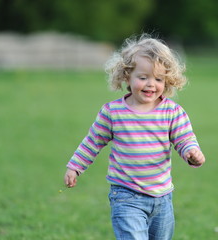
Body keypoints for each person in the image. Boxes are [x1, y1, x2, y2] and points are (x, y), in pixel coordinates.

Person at [64, 34, 206, 239]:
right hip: (126, 195)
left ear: (167, 80)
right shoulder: (113, 112)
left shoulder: (172, 112)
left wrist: (192, 153)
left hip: (162, 196)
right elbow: (92, 142)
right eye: (143, 77)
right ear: (127, 76)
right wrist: (75, 166)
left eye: (158, 79)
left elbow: (184, 139)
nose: (151, 84)